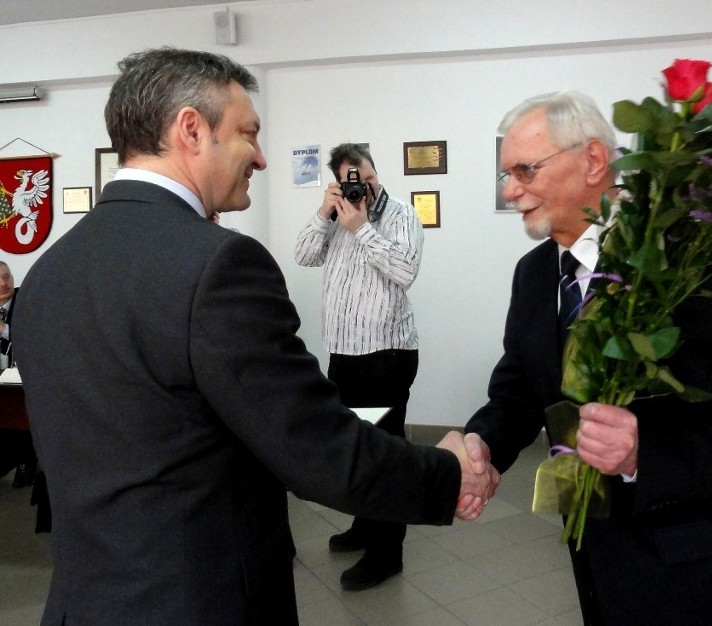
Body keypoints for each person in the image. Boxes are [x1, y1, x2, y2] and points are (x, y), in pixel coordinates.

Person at [13, 47, 498, 626]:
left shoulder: (47, 271)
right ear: (191, 130)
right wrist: (447, 475)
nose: (262, 158)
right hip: (196, 600)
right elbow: (315, 449)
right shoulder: (217, 264)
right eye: (248, 133)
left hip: (85, 602)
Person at [463, 91, 712, 625]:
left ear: (594, 161)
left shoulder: (687, 264)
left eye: (525, 170)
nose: (511, 191)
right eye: (506, 175)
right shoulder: (534, 274)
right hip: (602, 565)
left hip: (706, 574)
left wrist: (640, 455)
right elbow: (518, 386)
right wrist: (479, 442)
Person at [294, 143, 424, 591]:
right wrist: (324, 213)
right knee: (356, 448)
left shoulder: (401, 214)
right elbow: (304, 255)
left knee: (383, 454)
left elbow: (405, 271)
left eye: (363, 176)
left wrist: (363, 228)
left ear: (374, 170)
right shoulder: (336, 215)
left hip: (386, 357)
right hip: (344, 355)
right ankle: (366, 526)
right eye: (349, 179)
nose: (359, 185)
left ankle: (388, 552)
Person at [0, 260, 36, 489]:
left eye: (8, 277)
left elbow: (33, 336)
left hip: (19, 380)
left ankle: (25, 464)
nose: (4, 283)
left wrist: (3, 329)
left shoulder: (26, 301)